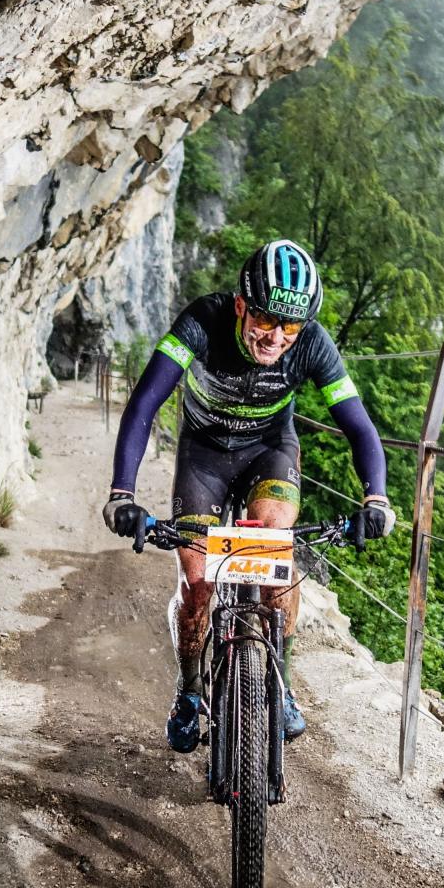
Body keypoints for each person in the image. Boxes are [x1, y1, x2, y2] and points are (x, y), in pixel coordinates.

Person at [101, 239, 396, 751]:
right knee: (197, 584)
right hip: (205, 453)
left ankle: (277, 680)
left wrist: (377, 499)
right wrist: (122, 492)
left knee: (276, 554)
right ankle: (190, 689)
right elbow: (145, 402)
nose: (277, 336)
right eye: (265, 318)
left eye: (291, 325)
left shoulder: (313, 344)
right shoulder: (203, 321)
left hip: (269, 450)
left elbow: (359, 428)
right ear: (241, 304)